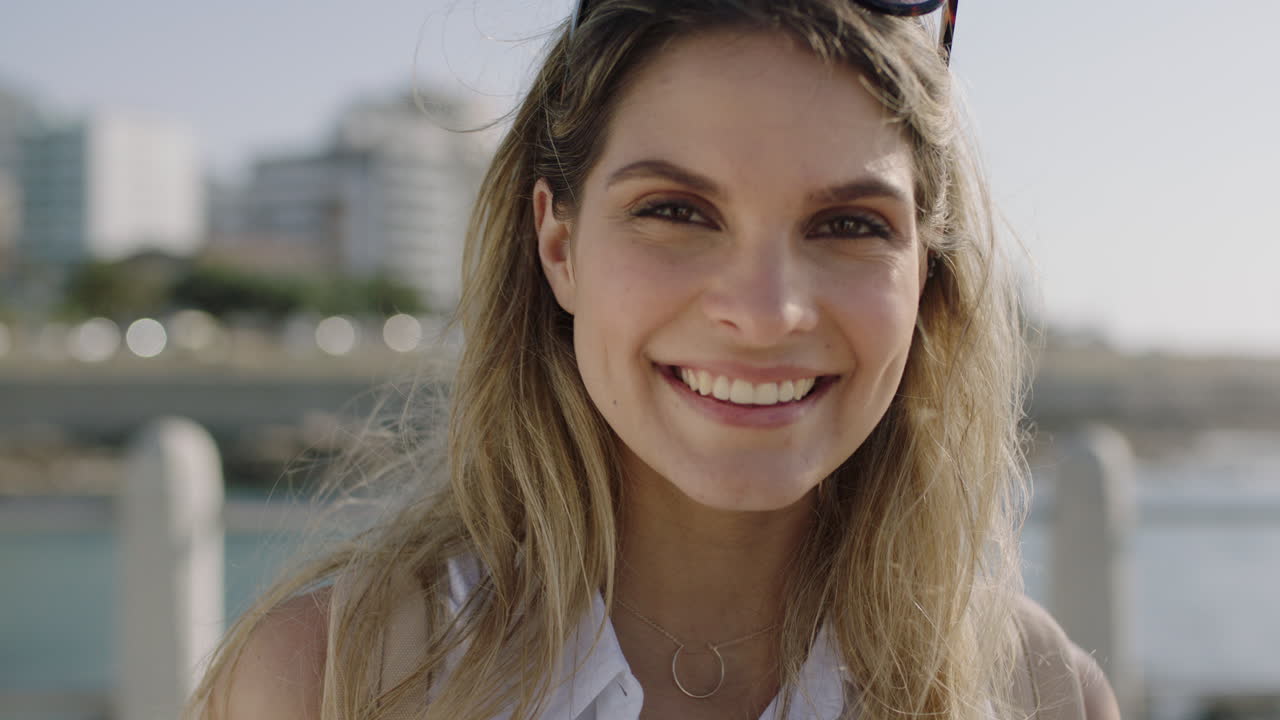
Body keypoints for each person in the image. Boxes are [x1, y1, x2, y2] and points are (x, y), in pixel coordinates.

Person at [189, 1, 1123, 719]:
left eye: (847, 225)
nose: (763, 315)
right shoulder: (326, 686)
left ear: (926, 271)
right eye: (676, 211)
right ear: (557, 245)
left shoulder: (1042, 696)